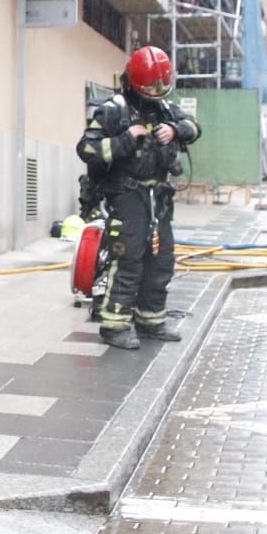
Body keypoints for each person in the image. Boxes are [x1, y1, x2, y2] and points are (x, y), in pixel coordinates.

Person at [76, 45, 201, 350]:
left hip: (159, 197)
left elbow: (194, 128)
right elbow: (86, 149)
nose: (154, 99)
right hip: (127, 195)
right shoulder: (113, 109)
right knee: (128, 258)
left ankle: (151, 321)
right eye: (149, 92)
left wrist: (174, 129)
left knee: (161, 260)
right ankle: (114, 325)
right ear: (132, 83)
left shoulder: (166, 108)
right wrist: (125, 140)